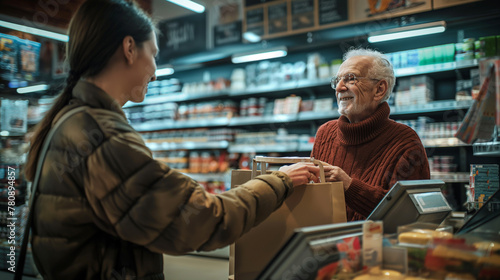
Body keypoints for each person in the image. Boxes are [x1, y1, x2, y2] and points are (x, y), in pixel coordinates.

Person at [23, 0, 320, 279]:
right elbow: (200, 221)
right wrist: (278, 181)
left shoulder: (73, 119)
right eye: (153, 54)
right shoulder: (101, 136)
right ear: (129, 48)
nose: (154, 73)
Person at [311, 48, 430, 221]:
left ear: (379, 89)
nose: (339, 87)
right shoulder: (325, 134)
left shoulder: (405, 142)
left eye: (350, 79)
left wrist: (349, 186)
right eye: (336, 81)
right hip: (323, 243)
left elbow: (409, 215)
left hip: (375, 247)